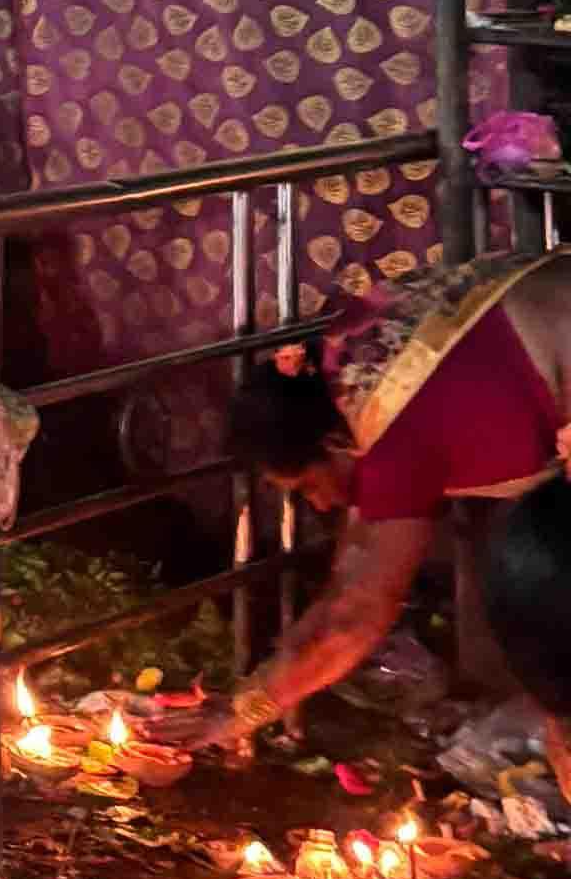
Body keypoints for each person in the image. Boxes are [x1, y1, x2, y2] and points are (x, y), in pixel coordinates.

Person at [187, 249, 571, 772]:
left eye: (307, 486)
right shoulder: (348, 368)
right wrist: (268, 678)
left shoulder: (393, 436)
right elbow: (349, 574)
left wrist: (238, 715)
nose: (319, 504)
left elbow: (356, 616)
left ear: (331, 444)